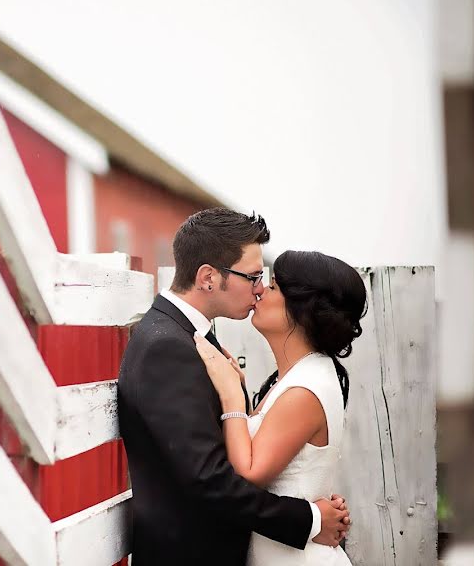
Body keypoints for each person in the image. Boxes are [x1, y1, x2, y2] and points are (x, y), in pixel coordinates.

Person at [117, 208, 350, 565]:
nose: (260, 289)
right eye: (254, 276)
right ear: (209, 277)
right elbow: (208, 478)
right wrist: (309, 520)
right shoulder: (168, 347)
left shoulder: (188, 337)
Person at [195, 249, 367, 565]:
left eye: (273, 287)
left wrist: (233, 397)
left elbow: (247, 475)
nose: (259, 290)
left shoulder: (305, 388)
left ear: (301, 309)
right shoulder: (298, 377)